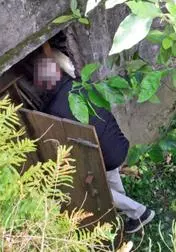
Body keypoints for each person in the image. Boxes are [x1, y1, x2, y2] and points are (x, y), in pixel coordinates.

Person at [33, 47, 155, 234]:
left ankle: (140, 212)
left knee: (100, 189)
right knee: (111, 173)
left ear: (44, 84)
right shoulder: (83, 83)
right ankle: (123, 208)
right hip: (118, 143)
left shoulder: (54, 110)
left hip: (104, 154)